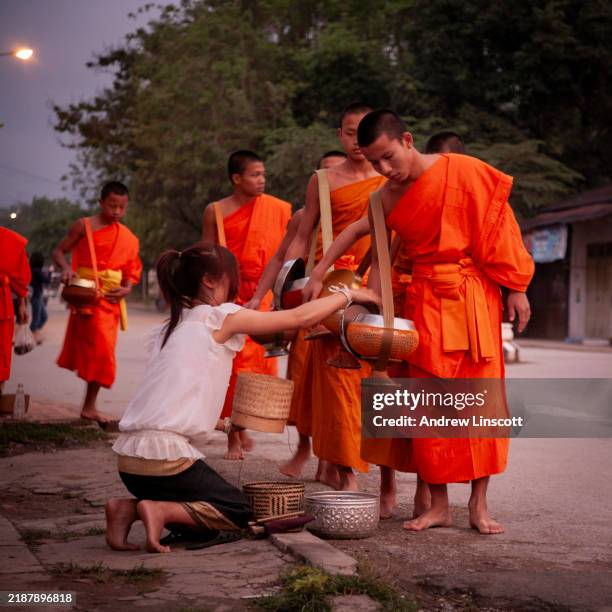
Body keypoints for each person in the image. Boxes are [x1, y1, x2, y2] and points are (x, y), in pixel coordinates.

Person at [106, 241, 380, 553]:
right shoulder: (219, 318)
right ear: (210, 281)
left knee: (208, 499)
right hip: (164, 463)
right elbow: (298, 320)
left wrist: (223, 424)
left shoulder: (172, 325)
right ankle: (158, 511)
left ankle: (126, 509)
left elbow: (172, 394)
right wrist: (349, 295)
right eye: (230, 276)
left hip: (130, 463)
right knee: (238, 510)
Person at [357, 109, 534, 534]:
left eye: (387, 157)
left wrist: (518, 287)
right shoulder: (392, 194)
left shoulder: (469, 173)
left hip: (474, 298)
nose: (384, 169)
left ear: (408, 140)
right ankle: (439, 505)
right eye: (375, 163)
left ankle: (479, 505)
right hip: (426, 302)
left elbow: (501, 229)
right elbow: (375, 243)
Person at [302, 131, 468, 517]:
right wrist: (318, 273)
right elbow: (356, 230)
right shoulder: (401, 191)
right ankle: (389, 484)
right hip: (394, 295)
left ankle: (426, 490)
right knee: (389, 396)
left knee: (426, 399)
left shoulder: (459, 196)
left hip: (440, 303)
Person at [283, 103, 386, 490]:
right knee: (334, 379)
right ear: (339, 136)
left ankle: (345, 464)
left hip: (377, 286)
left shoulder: (389, 177)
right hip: (329, 286)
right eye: (349, 131)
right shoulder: (323, 181)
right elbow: (303, 233)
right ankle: (343, 470)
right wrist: (288, 286)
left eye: (364, 131)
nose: (357, 140)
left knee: (366, 380)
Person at [241, 150, 347, 481]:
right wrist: (262, 297)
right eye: (325, 175)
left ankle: (329, 460)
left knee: (338, 386)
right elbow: (280, 261)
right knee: (301, 382)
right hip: (307, 304)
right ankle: (304, 448)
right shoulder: (304, 217)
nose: (333, 183)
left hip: (348, 301)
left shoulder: (361, 212)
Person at [202, 150, 292, 460]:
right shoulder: (215, 211)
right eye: (255, 175)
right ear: (236, 178)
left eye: (263, 174)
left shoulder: (279, 209)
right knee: (233, 368)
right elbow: (208, 255)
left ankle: (243, 426)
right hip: (231, 294)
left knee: (256, 368)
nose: (262, 180)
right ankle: (233, 438)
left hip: (263, 295)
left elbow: (287, 256)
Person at [53, 181, 142, 425]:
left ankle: (89, 405)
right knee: (99, 351)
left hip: (110, 301)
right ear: (101, 202)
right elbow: (59, 252)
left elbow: (132, 271)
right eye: (112, 205)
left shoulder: (128, 238)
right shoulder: (83, 226)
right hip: (86, 296)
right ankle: (89, 406)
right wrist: (65, 270)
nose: (117, 212)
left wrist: (126, 289)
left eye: (122, 207)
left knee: (103, 352)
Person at [0, 227, 31, 395]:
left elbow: (20, 278)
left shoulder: (10, 240)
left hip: (2, 305)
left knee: (2, 352)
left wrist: (22, 304)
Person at [29, 252, 50, 344]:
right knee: (36, 318)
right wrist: (50, 272)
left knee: (43, 317)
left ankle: (34, 333)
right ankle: (33, 336)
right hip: (36, 296)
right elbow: (47, 281)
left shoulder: (33, 270)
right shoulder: (36, 271)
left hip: (37, 296)